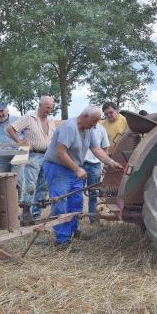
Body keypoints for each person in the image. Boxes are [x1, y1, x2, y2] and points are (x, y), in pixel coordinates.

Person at [43, 106, 123, 249]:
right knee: (61, 202)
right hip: (58, 168)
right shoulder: (69, 127)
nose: (95, 125)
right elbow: (60, 152)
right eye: (93, 122)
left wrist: (110, 162)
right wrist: (77, 169)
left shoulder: (89, 129)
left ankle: (73, 231)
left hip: (74, 169)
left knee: (76, 202)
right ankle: (62, 240)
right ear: (85, 116)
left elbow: (96, 149)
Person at [6, 96, 56, 220]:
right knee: (30, 186)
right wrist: (22, 143)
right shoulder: (29, 117)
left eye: (51, 108)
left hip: (47, 156)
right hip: (33, 156)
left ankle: (36, 215)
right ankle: (25, 215)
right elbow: (10, 129)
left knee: (43, 186)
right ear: (40, 105)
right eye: (47, 108)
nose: (49, 111)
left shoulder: (51, 120)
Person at [82, 125, 109, 223]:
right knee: (76, 192)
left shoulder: (101, 129)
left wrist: (105, 164)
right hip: (80, 164)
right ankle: (75, 219)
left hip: (95, 164)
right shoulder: (81, 127)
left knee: (93, 193)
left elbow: (105, 148)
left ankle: (93, 219)